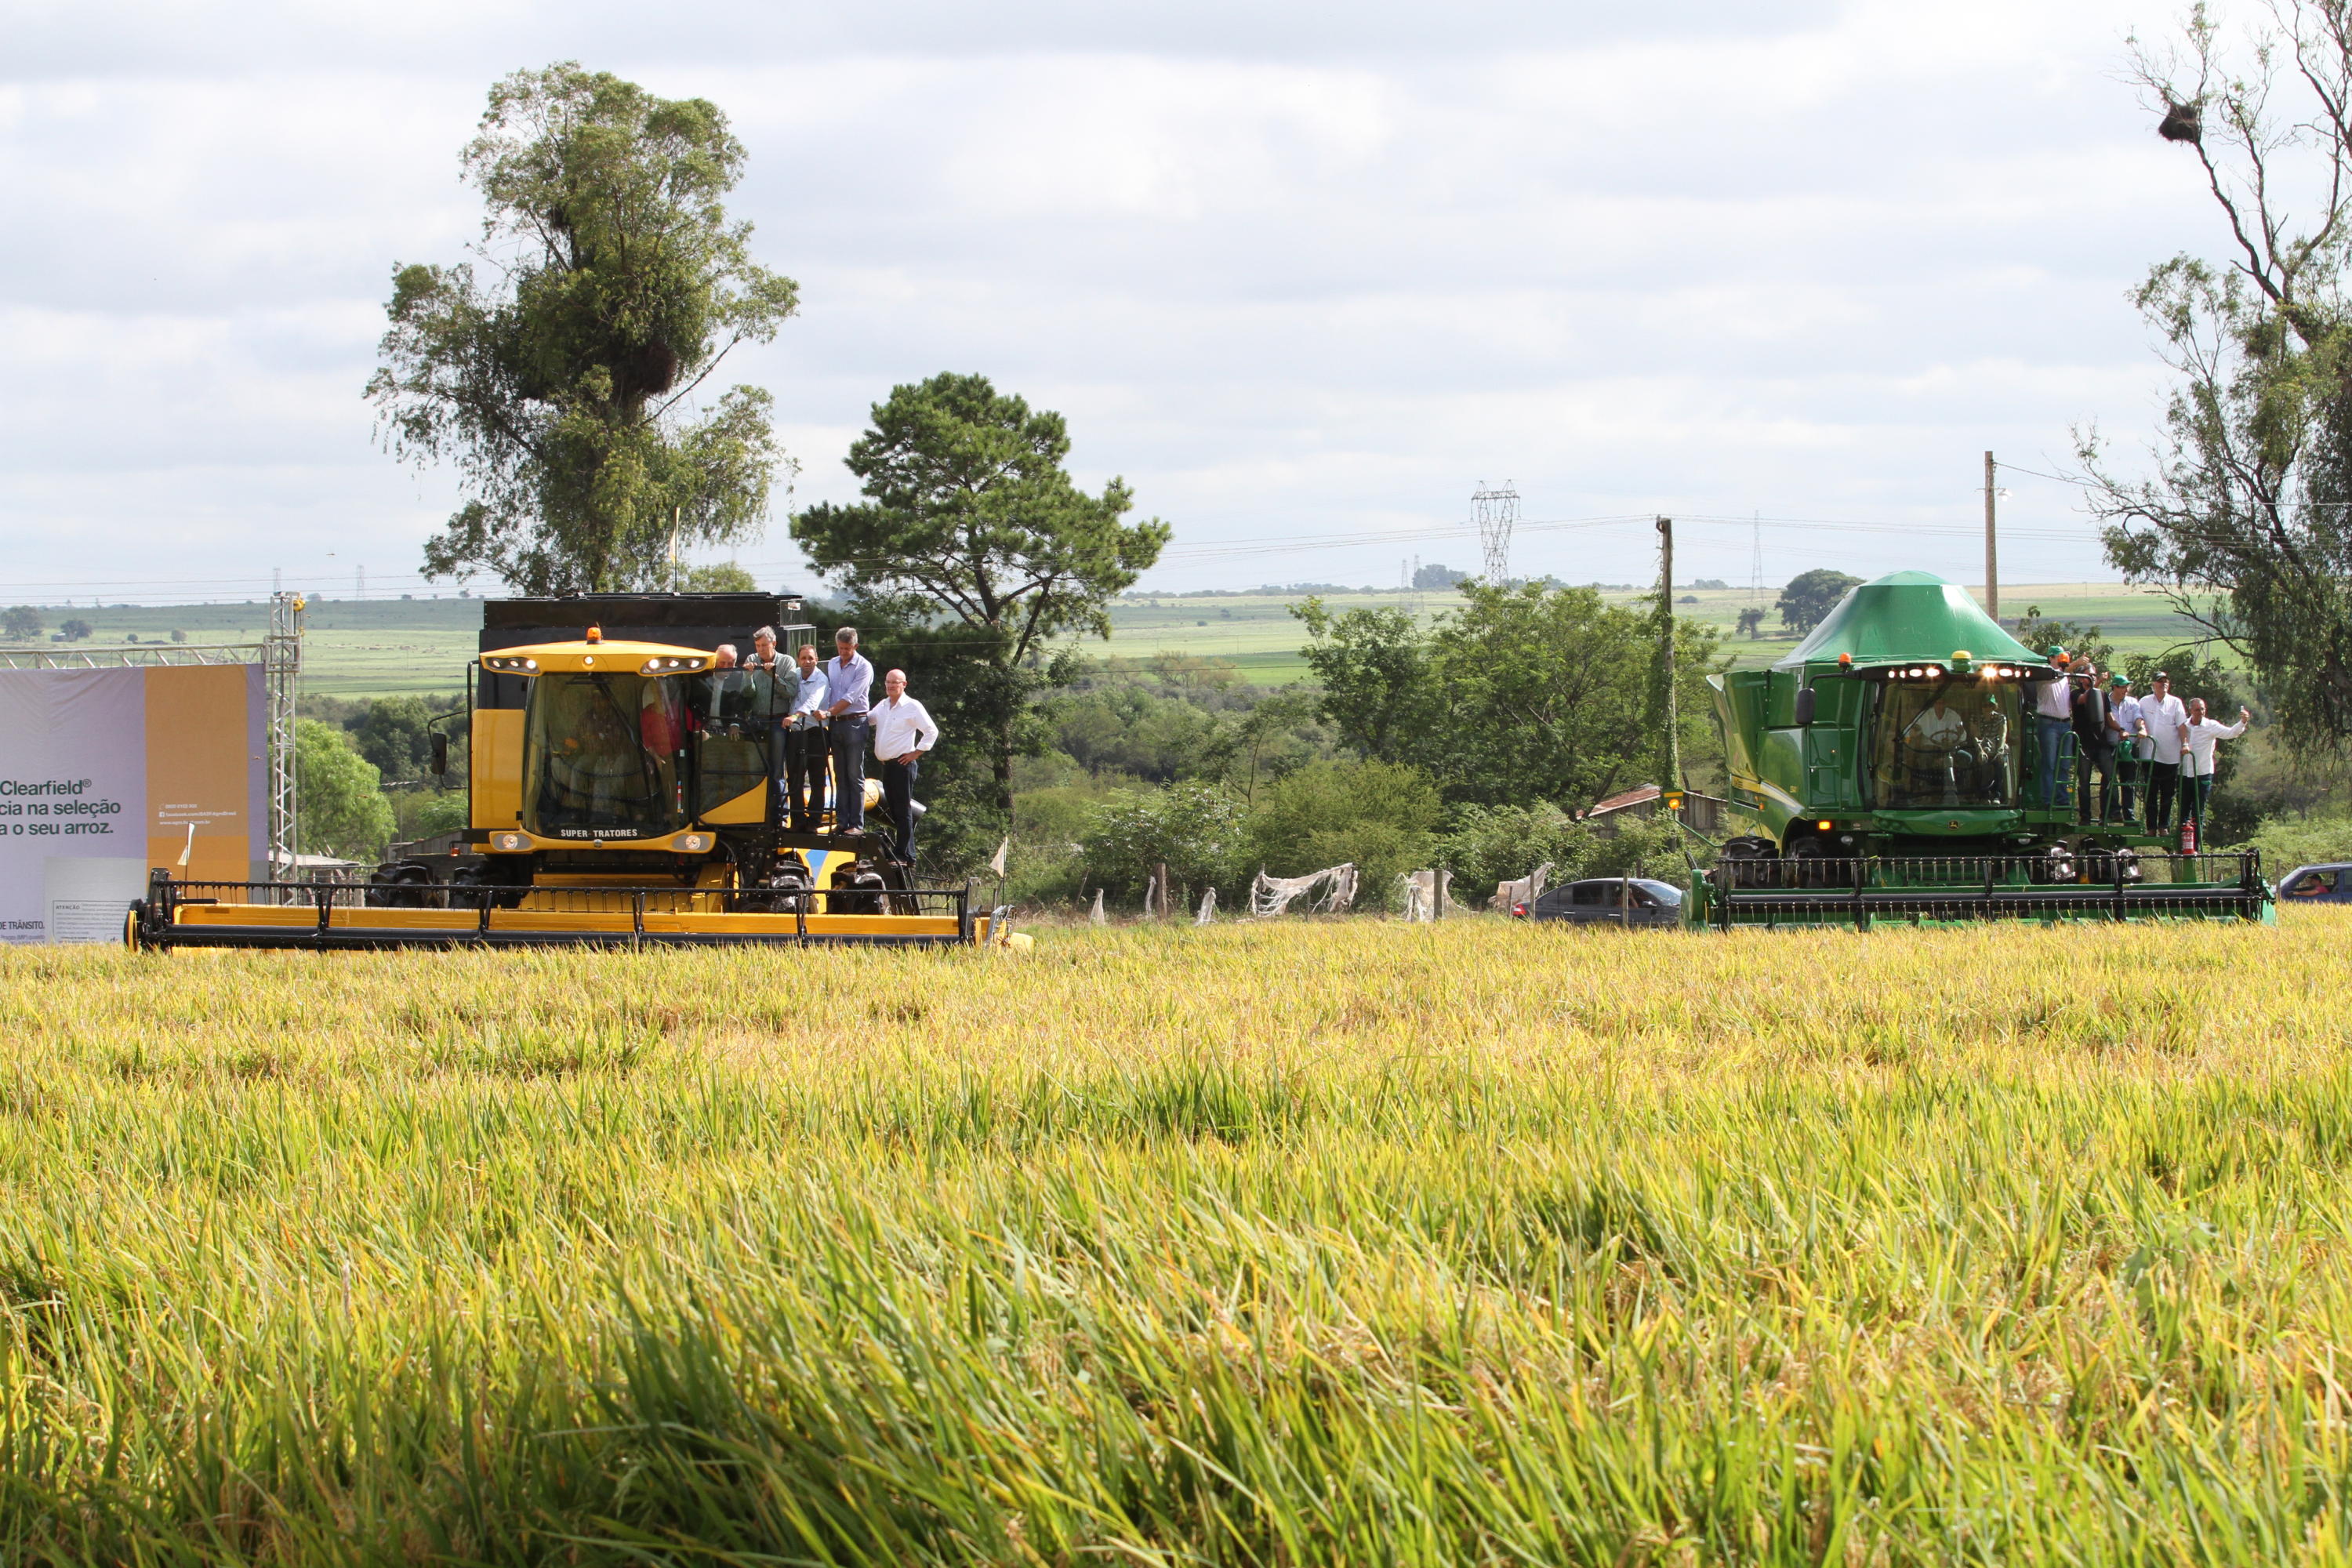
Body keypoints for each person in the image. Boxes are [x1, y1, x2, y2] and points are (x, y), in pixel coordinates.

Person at [870, 667, 938, 863]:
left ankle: (903, 854)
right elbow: (868, 719)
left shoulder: (912, 706)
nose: (891, 686)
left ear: (904, 684)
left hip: (902, 765)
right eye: (888, 682)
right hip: (888, 765)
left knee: (902, 810)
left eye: (895, 682)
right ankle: (908, 853)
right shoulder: (883, 705)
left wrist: (916, 752)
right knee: (893, 810)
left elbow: (931, 731)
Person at [823, 627, 876, 833]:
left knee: (854, 774)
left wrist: (828, 712)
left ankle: (856, 824)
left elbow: (851, 697)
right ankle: (842, 821)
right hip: (836, 723)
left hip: (855, 722)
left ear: (856, 646)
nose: (843, 652)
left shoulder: (864, 667)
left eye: (847, 649)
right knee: (840, 774)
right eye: (840, 648)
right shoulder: (832, 664)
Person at [2180, 696, 2251, 845]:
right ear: (2190, 710)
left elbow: (2230, 733)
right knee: (2184, 810)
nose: (2201, 712)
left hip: (2203, 773)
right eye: (2197, 710)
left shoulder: (2210, 725)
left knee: (2198, 810)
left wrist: (2242, 722)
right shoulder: (2184, 726)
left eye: (2203, 709)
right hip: (2185, 773)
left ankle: (2196, 846)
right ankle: (2182, 844)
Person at [782, 642, 831, 831]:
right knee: (794, 778)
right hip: (796, 733)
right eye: (803, 658)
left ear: (816, 659)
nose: (807, 661)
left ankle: (814, 821)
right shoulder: (794, 674)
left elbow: (813, 702)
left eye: (811, 658)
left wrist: (795, 716)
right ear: (798, 660)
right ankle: (797, 820)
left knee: (817, 779)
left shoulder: (821, 679)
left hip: (816, 733)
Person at [2138, 670, 2190, 834]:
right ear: (2153, 684)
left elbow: (2182, 726)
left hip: (2170, 756)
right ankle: (2151, 827)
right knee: (2150, 793)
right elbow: (2138, 720)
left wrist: (2185, 744)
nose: (2164, 684)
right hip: (2149, 755)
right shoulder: (2144, 701)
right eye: (2160, 681)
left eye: (2166, 681)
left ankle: (2163, 826)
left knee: (2168, 794)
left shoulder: (2175, 702)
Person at [2070, 662, 2116, 824]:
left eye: (2094, 675)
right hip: (2083, 743)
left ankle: (2107, 815)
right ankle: (2085, 817)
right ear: (2081, 678)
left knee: (2110, 775)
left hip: (2101, 743)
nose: (2093, 678)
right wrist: (2098, 683)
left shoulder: (2103, 694)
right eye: (2089, 675)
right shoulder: (2075, 694)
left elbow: (2109, 717)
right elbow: (2085, 699)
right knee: (2084, 781)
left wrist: (2121, 729)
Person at [2028, 648, 2074, 811]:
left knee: (2064, 764)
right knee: (2049, 763)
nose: (2063, 660)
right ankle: (2048, 800)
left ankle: (2063, 800)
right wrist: (2075, 665)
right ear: (2051, 658)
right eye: (2059, 657)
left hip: (2065, 724)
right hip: (2049, 724)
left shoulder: (2065, 676)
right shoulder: (2045, 673)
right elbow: (2056, 676)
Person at [2107, 673, 2142, 821]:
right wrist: (2121, 731)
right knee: (2110, 780)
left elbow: (2138, 718)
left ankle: (2129, 815)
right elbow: (2108, 720)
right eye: (2123, 687)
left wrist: (2142, 728)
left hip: (2129, 747)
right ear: (2114, 687)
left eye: (2127, 687)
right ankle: (2112, 813)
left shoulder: (2133, 702)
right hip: (2111, 747)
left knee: (2129, 782)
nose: (2126, 690)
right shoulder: (2106, 701)